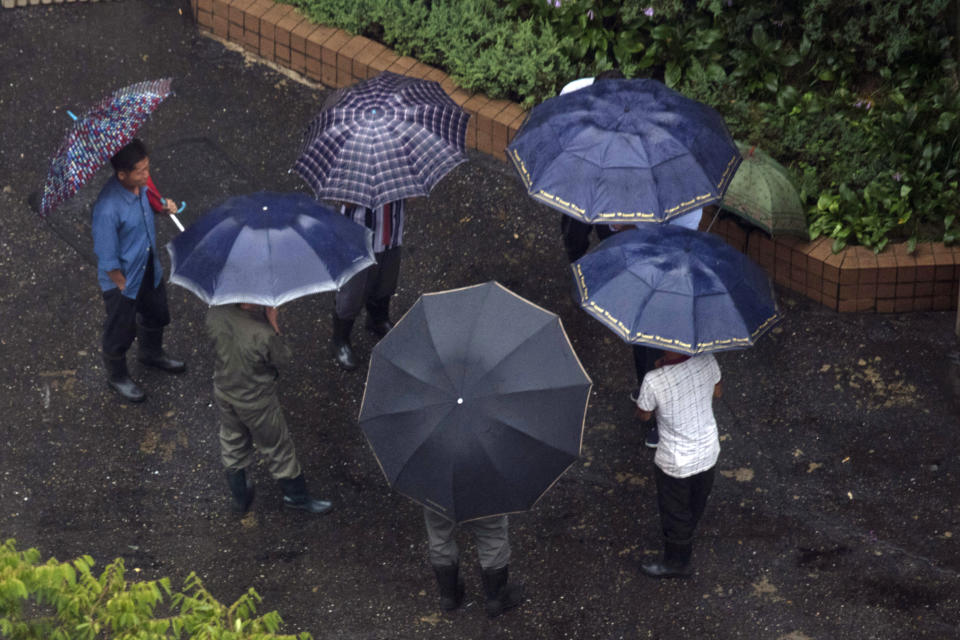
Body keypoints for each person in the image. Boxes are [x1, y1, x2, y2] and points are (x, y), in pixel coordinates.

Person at [206, 302, 332, 515]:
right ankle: (296, 497)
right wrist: (273, 322)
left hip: (224, 390)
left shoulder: (214, 314)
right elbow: (282, 357)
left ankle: (240, 498)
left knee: (232, 439)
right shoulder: (262, 332)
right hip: (256, 400)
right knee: (277, 447)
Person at [91, 138, 185, 403]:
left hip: (148, 267)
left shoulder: (142, 188)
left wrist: (165, 206)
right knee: (120, 331)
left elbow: (152, 208)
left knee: (157, 313)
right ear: (122, 174)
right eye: (140, 170)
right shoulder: (107, 209)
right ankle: (117, 377)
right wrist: (122, 286)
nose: (147, 174)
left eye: (147, 167)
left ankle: (151, 354)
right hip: (123, 280)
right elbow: (107, 258)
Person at [634, 349, 723, 578]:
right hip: (708, 450)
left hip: (676, 461)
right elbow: (717, 392)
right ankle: (685, 540)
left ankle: (677, 562)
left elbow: (644, 414)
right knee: (695, 503)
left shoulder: (654, 379)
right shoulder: (708, 359)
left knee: (675, 513)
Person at [331, 200, 405, 370]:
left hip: (392, 234)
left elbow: (412, 198)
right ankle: (340, 339)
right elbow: (345, 202)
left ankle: (378, 319)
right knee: (351, 292)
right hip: (358, 240)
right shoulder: (353, 172)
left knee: (385, 281)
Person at [423, 508, 523, 618]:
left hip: (439, 493)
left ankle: (449, 596)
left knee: (439, 532)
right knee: (491, 534)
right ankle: (496, 599)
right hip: (481, 493)